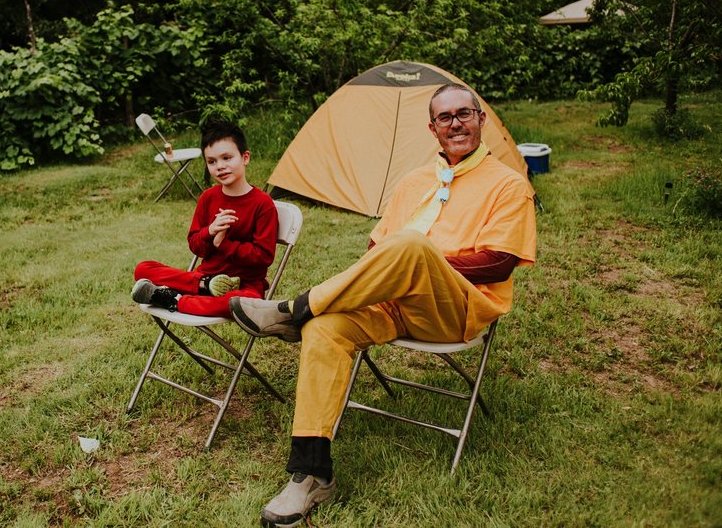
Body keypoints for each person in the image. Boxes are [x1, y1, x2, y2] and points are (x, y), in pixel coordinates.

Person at [229, 83, 537, 528]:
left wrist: (423, 263)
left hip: (455, 310)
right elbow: (377, 252)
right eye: (445, 118)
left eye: (464, 113)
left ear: (481, 118)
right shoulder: (413, 181)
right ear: (433, 128)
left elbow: (499, 262)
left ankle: (294, 309)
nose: (456, 123)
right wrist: (400, 266)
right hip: (392, 306)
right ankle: (311, 474)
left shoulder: (509, 184)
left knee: (412, 246)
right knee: (325, 329)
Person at [131, 120, 278, 317]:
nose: (220, 166)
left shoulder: (262, 203)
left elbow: (263, 257)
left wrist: (223, 244)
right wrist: (209, 232)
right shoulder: (208, 198)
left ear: (245, 157)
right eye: (212, 161)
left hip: (244, 284)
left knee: (238, 304)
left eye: (227, 158)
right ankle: (204, 288)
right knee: (143, 269)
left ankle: (174, 299)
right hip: (203, 277)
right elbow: (195, 245)